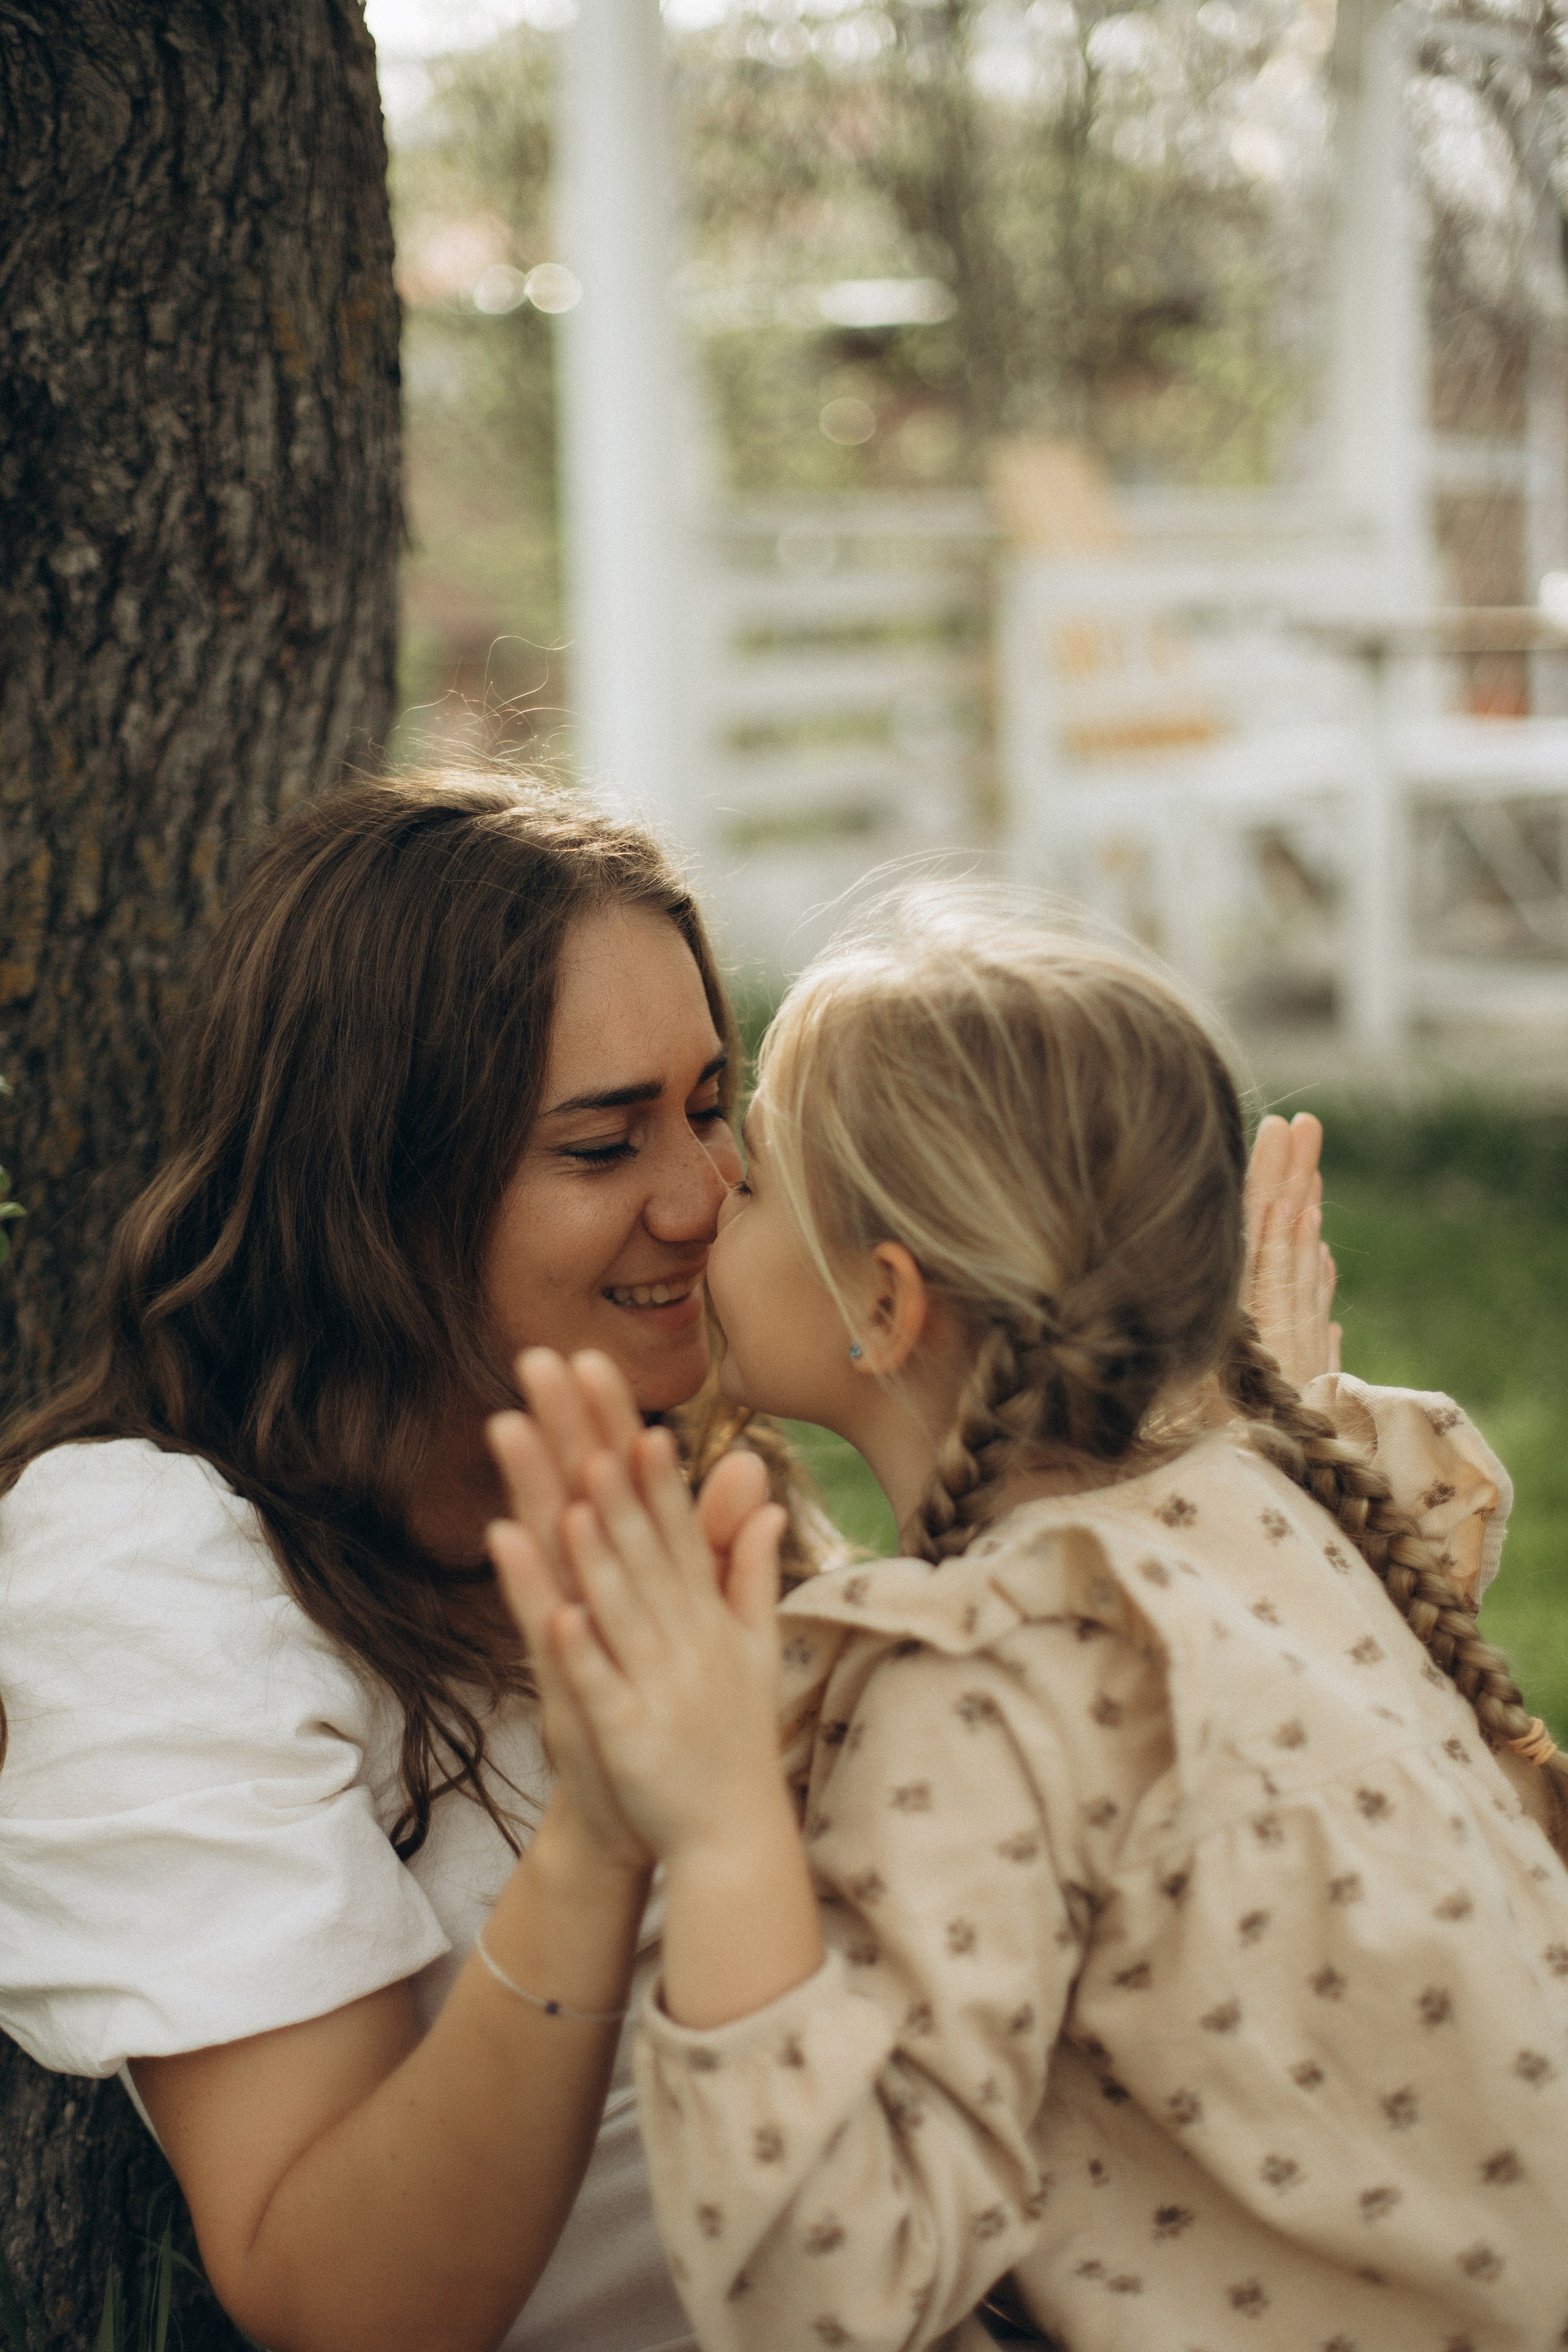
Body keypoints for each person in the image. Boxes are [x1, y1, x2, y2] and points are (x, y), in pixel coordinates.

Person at [489, 894, 1568, 2352]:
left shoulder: (983, 1683)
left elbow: (838, 2295)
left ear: (882, 1304)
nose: (707, 1191)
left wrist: (719, 1819)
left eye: (753, 1179)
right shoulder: (1282, 1526)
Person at [0, 772, 821, 2352]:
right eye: (602, 1145)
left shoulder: (687, 1464)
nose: (701, 1198)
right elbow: (340, 2302)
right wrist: (600, 1833)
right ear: (379, 1187)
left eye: (710, 1110)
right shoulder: (157, 1563)